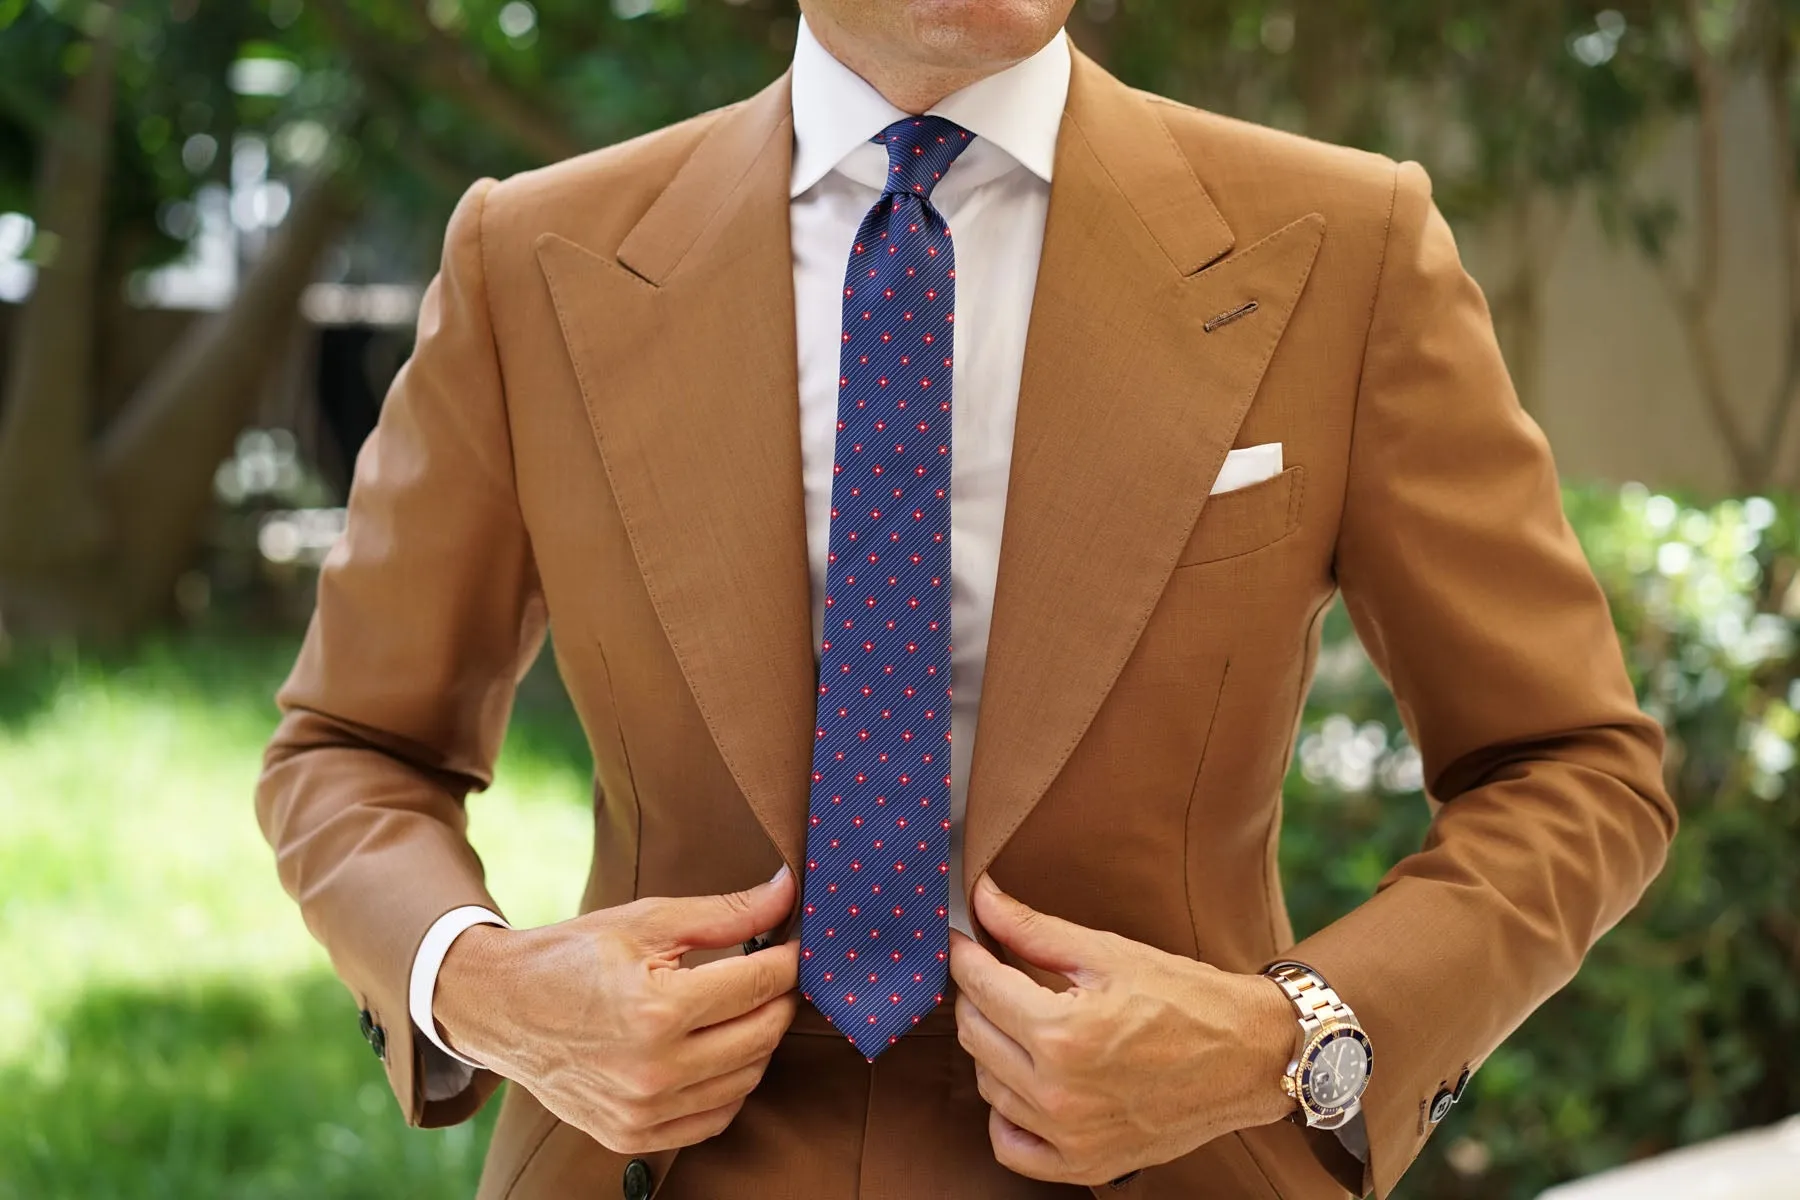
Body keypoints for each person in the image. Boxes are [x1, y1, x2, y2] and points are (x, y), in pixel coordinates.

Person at [254, 2, 1676, 1197]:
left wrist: (1277, 1038)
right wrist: (489, 989)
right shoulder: (531, 257)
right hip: (652, 1161)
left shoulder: (1347, 243)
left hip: (1176, 1164)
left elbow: (1573, 768)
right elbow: (349, 753)